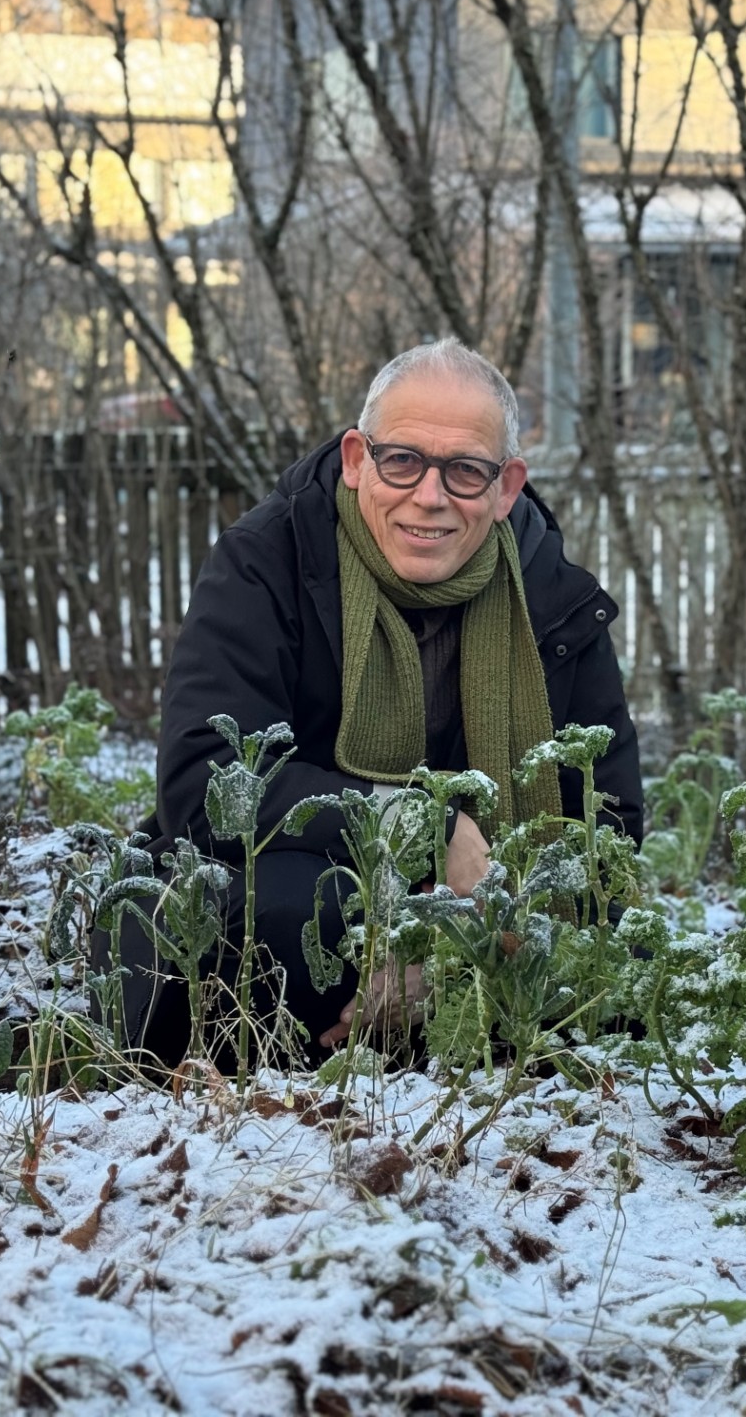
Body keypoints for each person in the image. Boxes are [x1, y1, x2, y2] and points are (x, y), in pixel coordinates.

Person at [105, 337, 642, 1066]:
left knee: (624, 960)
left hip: (485, 920)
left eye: (465, 470)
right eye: (403, 461)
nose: (430, 496)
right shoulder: (267, 561)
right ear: (357, 460)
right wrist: (426, 828)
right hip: (300, 902)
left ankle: (462, 1036)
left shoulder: (552, 601)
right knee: (292, 906)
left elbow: (608, 830)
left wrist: (446, 954)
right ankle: (281, 1077)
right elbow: (204, 786)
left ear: (506, 487)